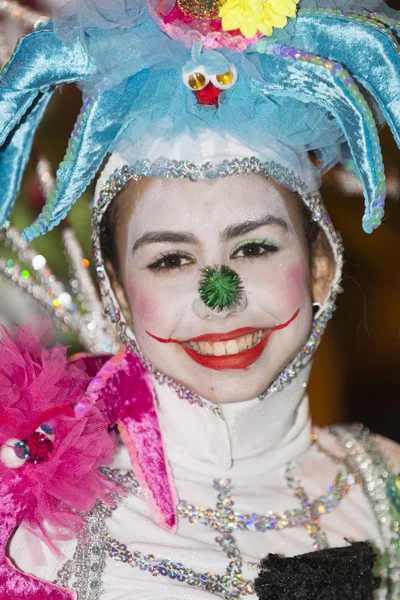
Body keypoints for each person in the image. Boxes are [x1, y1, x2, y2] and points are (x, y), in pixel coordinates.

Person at [0, 0, 399, 598]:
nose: (220, 295)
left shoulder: (385, 487)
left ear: (320, 266)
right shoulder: (37, 534)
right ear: (120, 293)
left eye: (255, 249)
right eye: (170, 259)